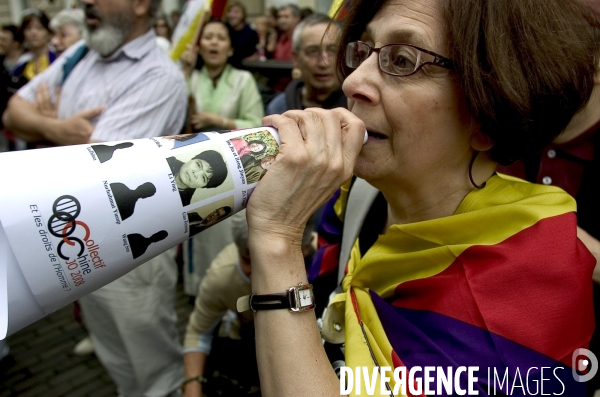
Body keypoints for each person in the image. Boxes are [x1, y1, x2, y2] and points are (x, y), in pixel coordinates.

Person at [244, 0, 599, 395]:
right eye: (362, 51)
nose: (351, 82)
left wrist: (276, 243)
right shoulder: (359, 190)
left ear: (489, 110)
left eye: (402, 60)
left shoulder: (512, 311)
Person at [2, 0, 188, 395]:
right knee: (115, 357)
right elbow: (11, 113)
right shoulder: (80, 53)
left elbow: (94, 176)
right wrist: (56, 128)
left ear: (140, 5)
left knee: (154, 369)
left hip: (130, 254)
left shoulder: (159, 76)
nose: (85, 1)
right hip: (72, 243)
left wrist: (39, 132)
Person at [182, 211, 314, 397]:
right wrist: (192, 386)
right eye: (248, 261)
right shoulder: (221, 278)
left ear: (305, 250)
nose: (259, 273)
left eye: (269, 263)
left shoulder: (323, 264)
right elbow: (198, 331)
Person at [180, 19, 264, 132]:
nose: (214, 42)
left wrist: (220, 121)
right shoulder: (192, 77)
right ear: (199, 48)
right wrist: (185, 71)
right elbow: (173, 114)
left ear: (230, 49)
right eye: (208, 37)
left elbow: (256, 125)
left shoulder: (243, 79)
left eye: (221, 38)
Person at [266, 14, 346, 115]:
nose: (323, 63)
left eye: (332, 50)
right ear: (296, 58)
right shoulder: (278, 109)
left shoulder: (357, 106)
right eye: (313, 51)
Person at [11, 9, 55, 91]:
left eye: (39, 28)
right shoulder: (22, 64)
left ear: (49, 32)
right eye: (28, 28)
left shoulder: (57, 59)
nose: (33, 32)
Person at [225, 2, 258, 68]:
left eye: (236, 12)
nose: (232, 15)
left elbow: (255, 52)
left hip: (245, 68)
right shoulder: (224, 29)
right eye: (230, 11)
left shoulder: (251, 32)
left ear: (243, 14)